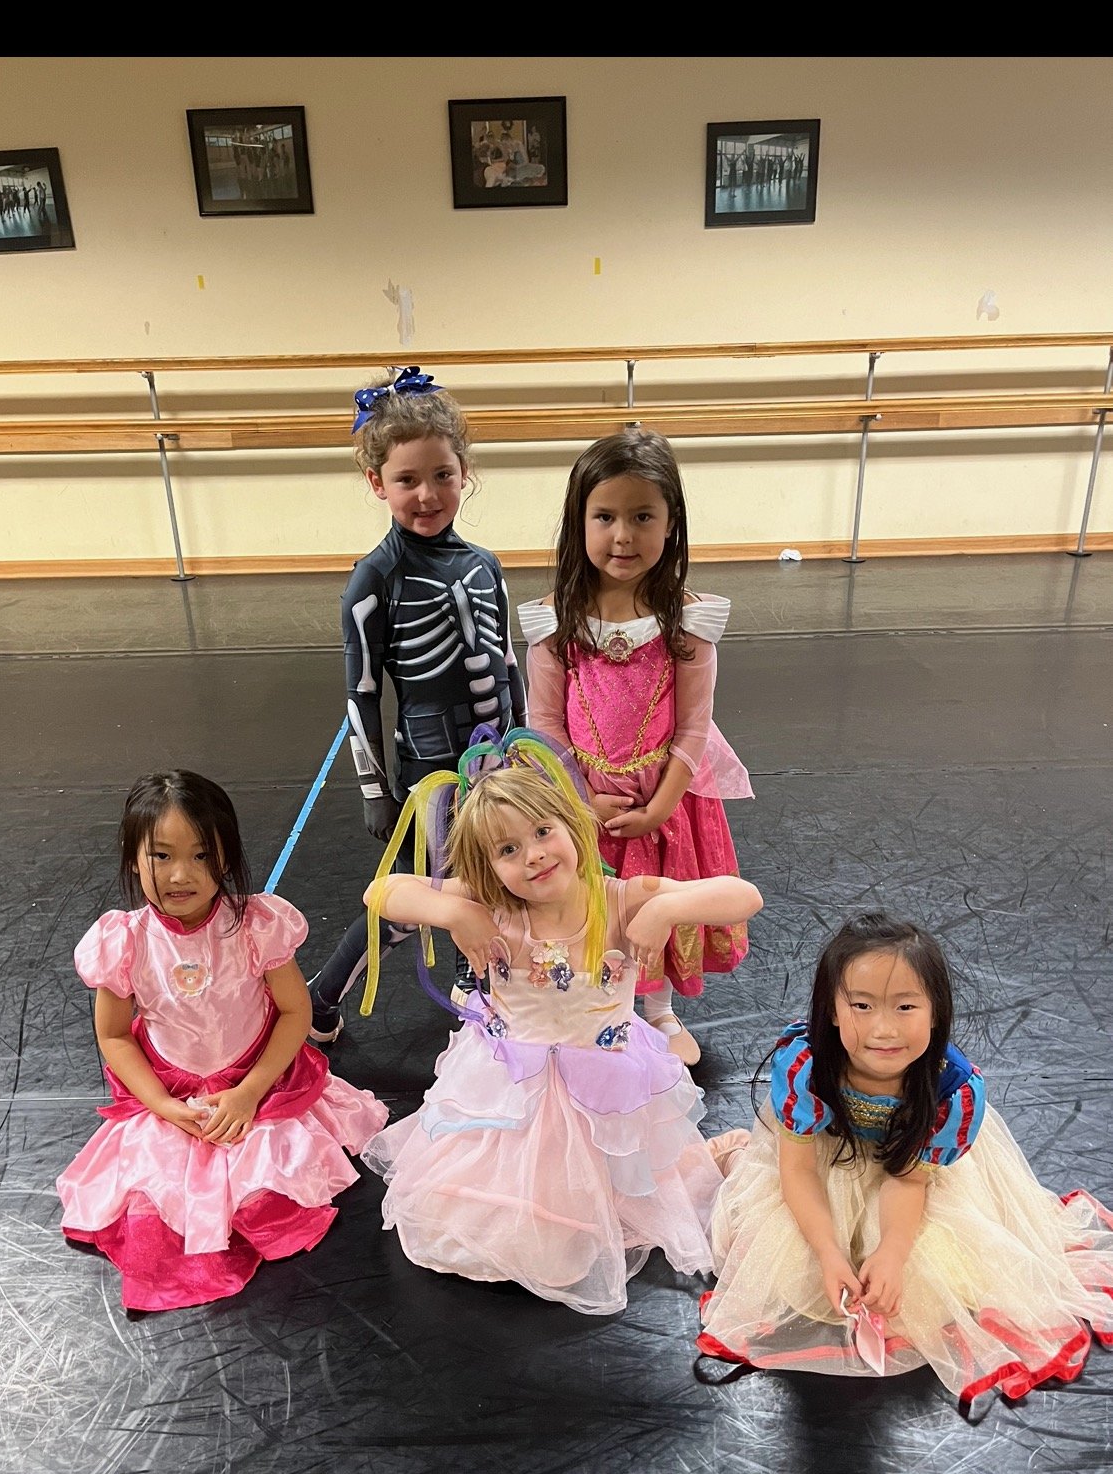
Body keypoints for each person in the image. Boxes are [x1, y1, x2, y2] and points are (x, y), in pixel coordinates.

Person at [355, 733, 764, 1316]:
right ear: (486, 866)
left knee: (591, 1220)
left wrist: (668, 908)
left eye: (544, 832)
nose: (534, 856)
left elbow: (742, 896)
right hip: (510, 1093)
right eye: (508, 850)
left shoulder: (619, 899)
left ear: (573, 825)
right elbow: (381, 891)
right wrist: (453, 910)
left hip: (603, 1094)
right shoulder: (493, 904)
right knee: (501, 1229)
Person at [698, 912, 1113, 1409]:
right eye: (862, 1005)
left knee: (935, 1273)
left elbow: (909, 1180)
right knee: (797, 1261)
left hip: (910, 1171)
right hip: (825, 1156)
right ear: (831, 1009)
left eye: (905, 1006)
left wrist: (892, 1250)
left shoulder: (951, 1090)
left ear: (936, 1011)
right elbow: (798, 1170)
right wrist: (830, 1252)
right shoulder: (808, 1068)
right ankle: (745, 1157)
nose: (883, 1029)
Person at [56, 770, 387, 1313]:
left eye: (201, 856)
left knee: (270, 1191)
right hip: (171, 1091)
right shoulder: (125, 941)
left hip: (259, 1081)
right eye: (160, 856)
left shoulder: (254, 925)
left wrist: (251, 1090)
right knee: (154, 1201)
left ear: (227, 858)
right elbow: (114, 1036)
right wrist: (160, 1105)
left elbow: (293, 1011)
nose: (180, 874)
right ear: (133, 857)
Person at [518, 425, 752, 1068]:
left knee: (659, 899)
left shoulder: (689, 621)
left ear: (671, 523)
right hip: (581, 802)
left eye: (642, 516)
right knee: (593, 899)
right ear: (580, 522)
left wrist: (658, 807)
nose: (623, 535)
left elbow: (694, 727)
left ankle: (660, 1011)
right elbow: (545, 723)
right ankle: (604, 1004)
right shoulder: (553, 622)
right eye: (606, 517)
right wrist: (577, 798)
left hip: (664, 800)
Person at [306, 367, 527, 1045]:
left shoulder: (485, 566)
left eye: (442, 475)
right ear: (379, 483)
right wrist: (375, 789)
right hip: (430, 763)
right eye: (407, 480)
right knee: (423, 892)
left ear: (465, 473)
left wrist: (524, 749)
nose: (427, 494)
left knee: (497, 878)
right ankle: (323, 995)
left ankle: (475, 985)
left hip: (497, 757)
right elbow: (361, 691)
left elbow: (508, 661)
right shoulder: (375, 580)